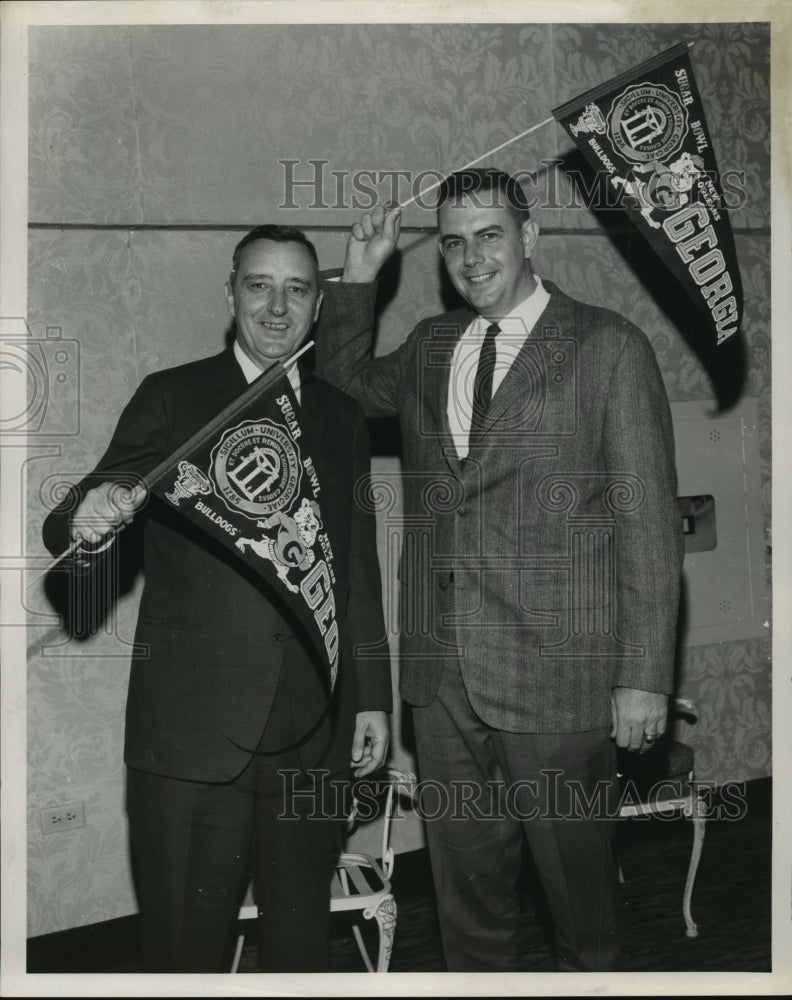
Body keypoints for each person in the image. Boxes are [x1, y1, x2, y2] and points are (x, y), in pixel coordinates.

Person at [314, 169, 684, 972]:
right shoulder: (428, 346)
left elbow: (648, 521)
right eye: (453, 242)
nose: (471, 257)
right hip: (440, 678)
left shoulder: (607, 345)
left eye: (489, 235)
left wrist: (644, 676)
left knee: (578, 902)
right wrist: (360, 275)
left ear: (530, 238)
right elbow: (338, 381)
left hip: (562, 677)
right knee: (467, 902)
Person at [42, 225, 392, 973]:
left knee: (302, 951)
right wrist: (89, 516)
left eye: (296, 289)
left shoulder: (340, 415)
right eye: (258, 285)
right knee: (183, 955)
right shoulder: (174, 397)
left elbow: (357, 570)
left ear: (319, 304)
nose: (276, 306)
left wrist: (371, 697)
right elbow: (90, 500)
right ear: (229, 294)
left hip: (314, 729)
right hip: (193, 734)